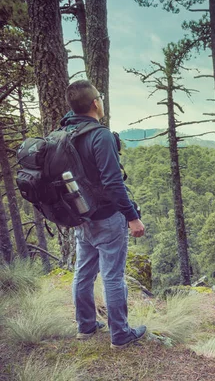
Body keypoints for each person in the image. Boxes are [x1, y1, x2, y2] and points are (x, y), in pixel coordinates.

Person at [64, 79, 146, 349]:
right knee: (112, 276)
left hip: (81, 215)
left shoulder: (65, 133)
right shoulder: (100, 136)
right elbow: (113, 183)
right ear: (95, 103)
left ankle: (85, 326)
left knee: (83, 273)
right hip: (107, 218)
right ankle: (120, 335)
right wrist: (132, 216)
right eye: (100, 97)